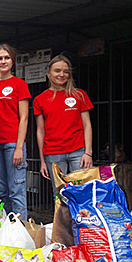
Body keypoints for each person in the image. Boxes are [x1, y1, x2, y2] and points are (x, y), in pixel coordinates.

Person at [34, 54, 93, 192]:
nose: (62, 74)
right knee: (60, 195)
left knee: (82, 192)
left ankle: (81, 215)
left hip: (78, 151)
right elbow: (40, 131)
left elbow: (87, 125)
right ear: (49, 73)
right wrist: (42, 161)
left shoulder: (79, 95)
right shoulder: (40, 99)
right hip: (53, 153)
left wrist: (88, 152)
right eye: (57, 71)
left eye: (66, 71)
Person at [0, 44, 31, 221]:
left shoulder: (19, 85)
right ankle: (5, 231)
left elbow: (24, 118)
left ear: (13, 61)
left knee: (17, 190)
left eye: (6, 58)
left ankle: (21, 231)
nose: (3, 61)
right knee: (1, 191)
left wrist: (19, 147)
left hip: (13, 143)